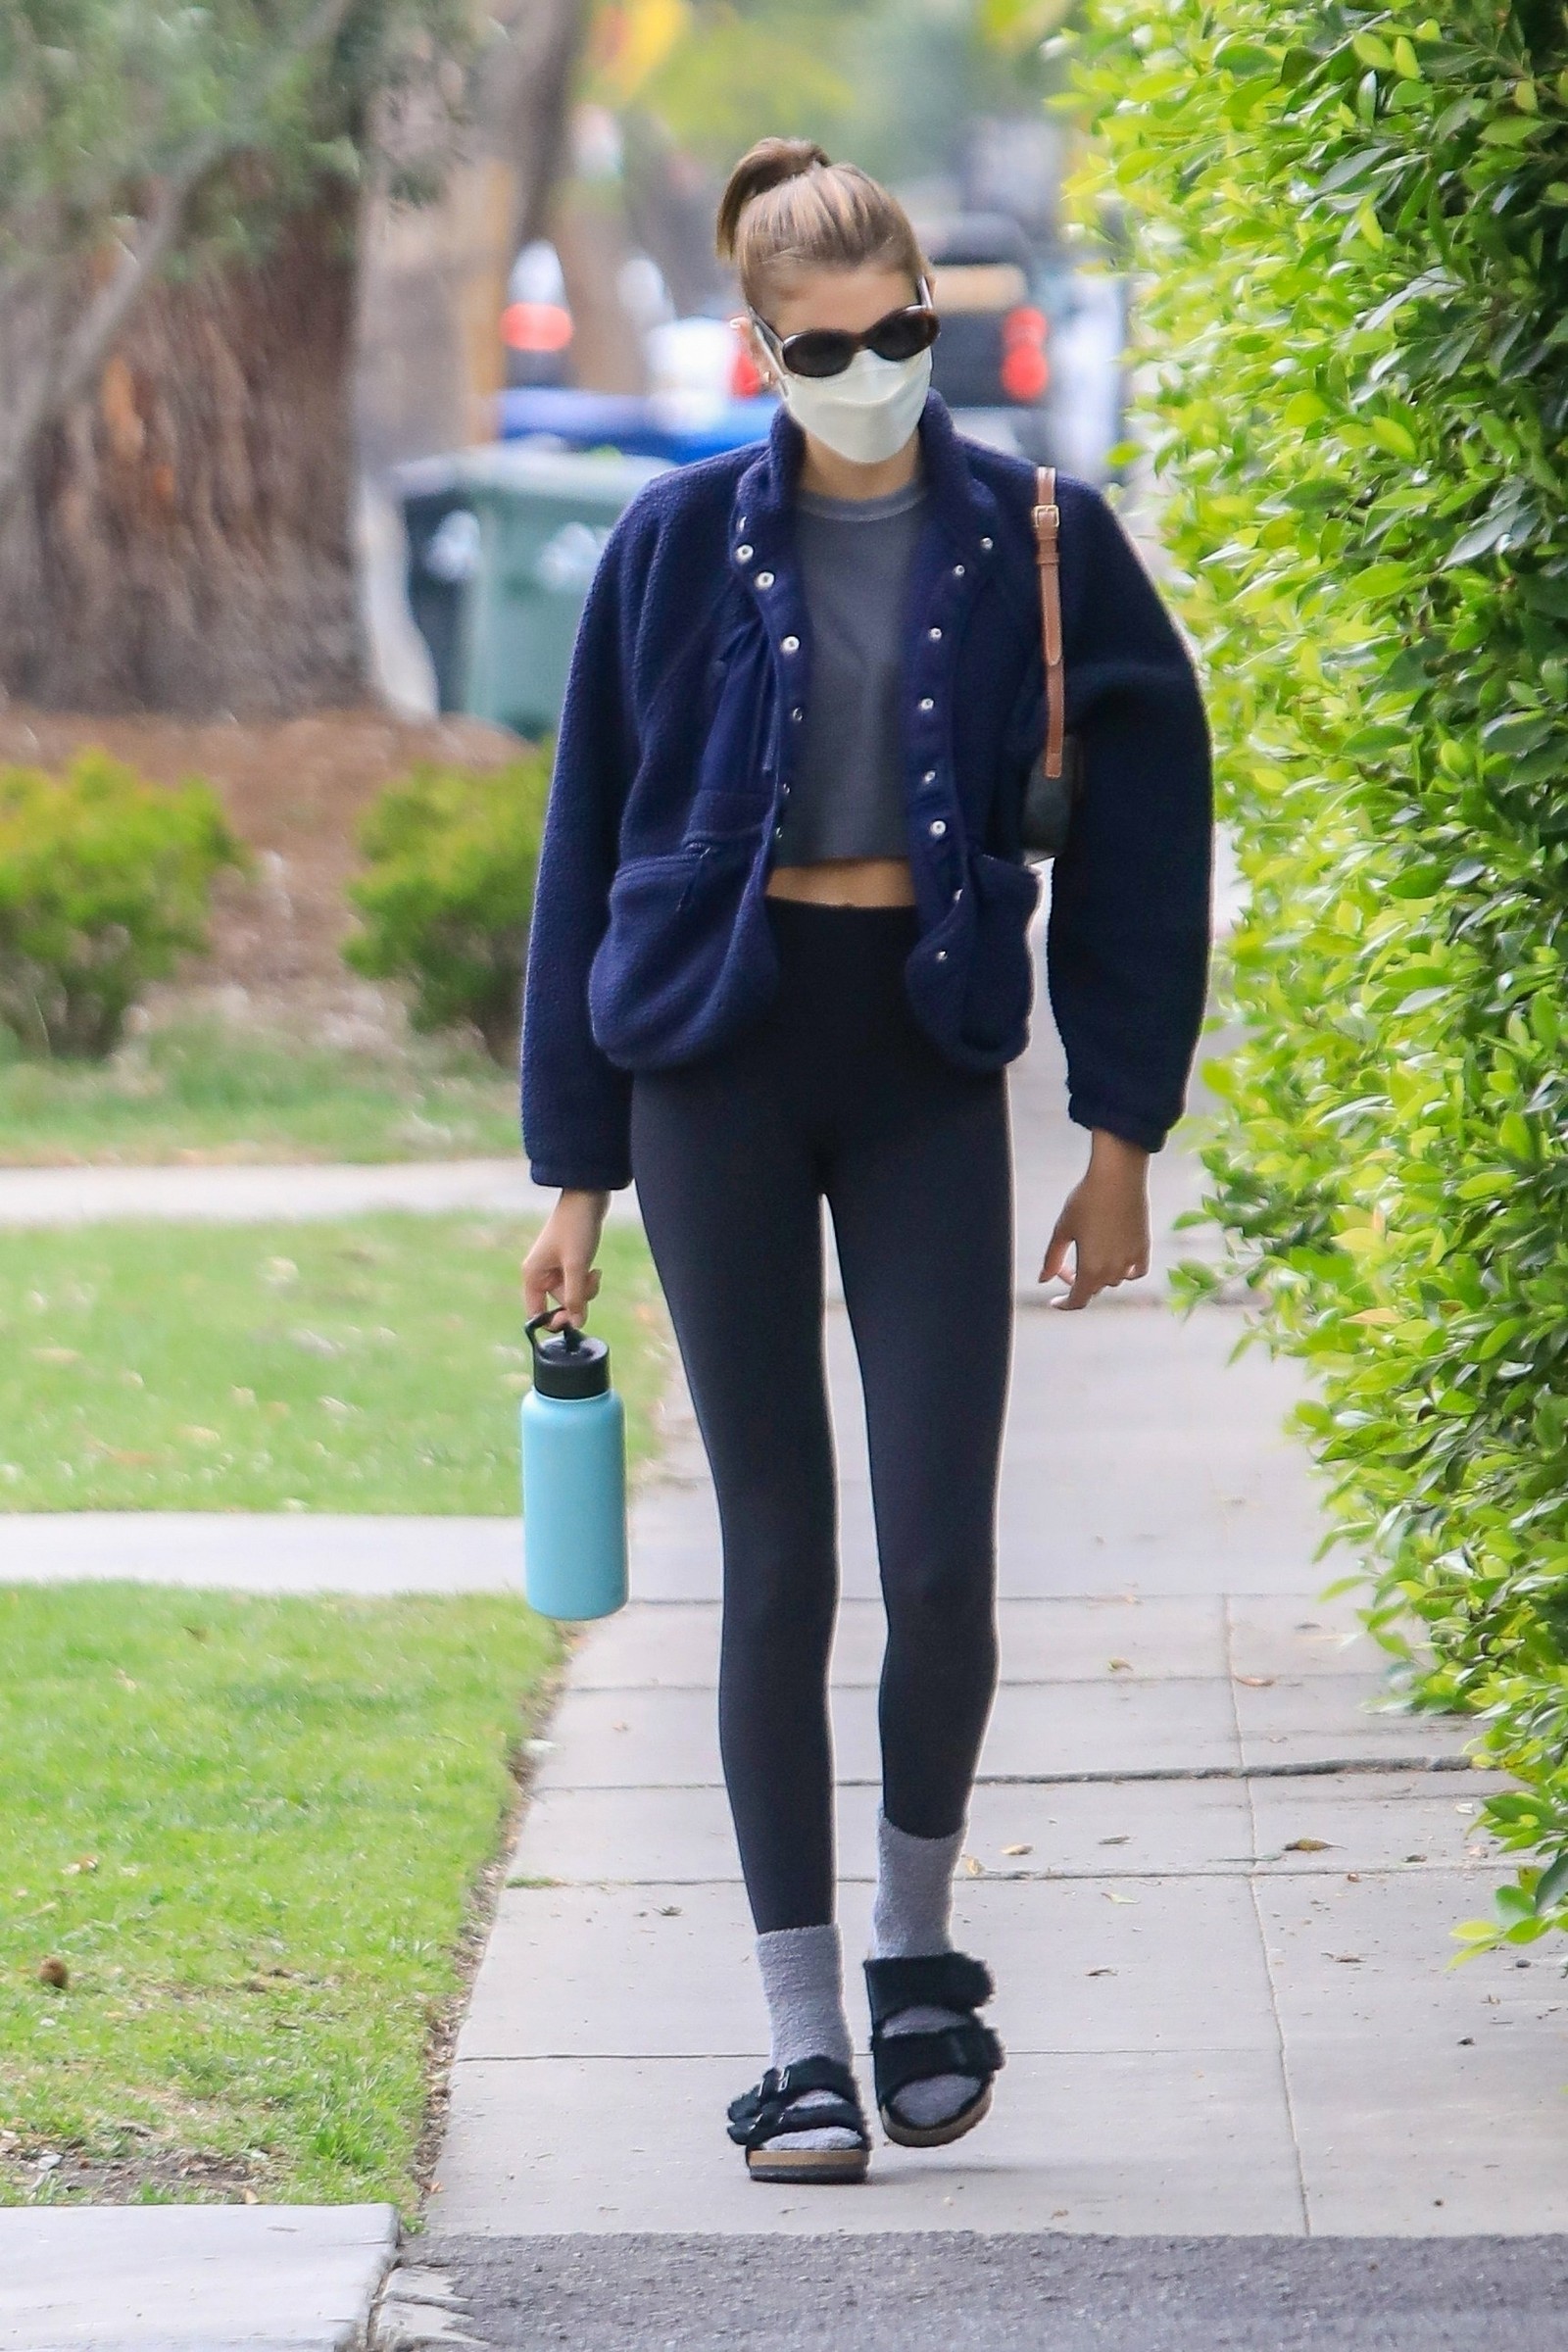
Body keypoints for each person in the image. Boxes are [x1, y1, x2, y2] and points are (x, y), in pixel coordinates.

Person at [519, 137, 1213, 2185]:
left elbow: (1145, 848)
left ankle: (916, 1960)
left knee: (934, 1555)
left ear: (931, 313)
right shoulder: (668, 546)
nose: (868, 369)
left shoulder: (1036, 537)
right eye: (820, 347)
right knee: (777, 1555)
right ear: (759, 353)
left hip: (920, 1064)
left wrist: (1118, 1133)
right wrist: (573, 1175)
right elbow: (584, 852)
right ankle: (802, 2036)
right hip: (710, 1072)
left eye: (896, 330)